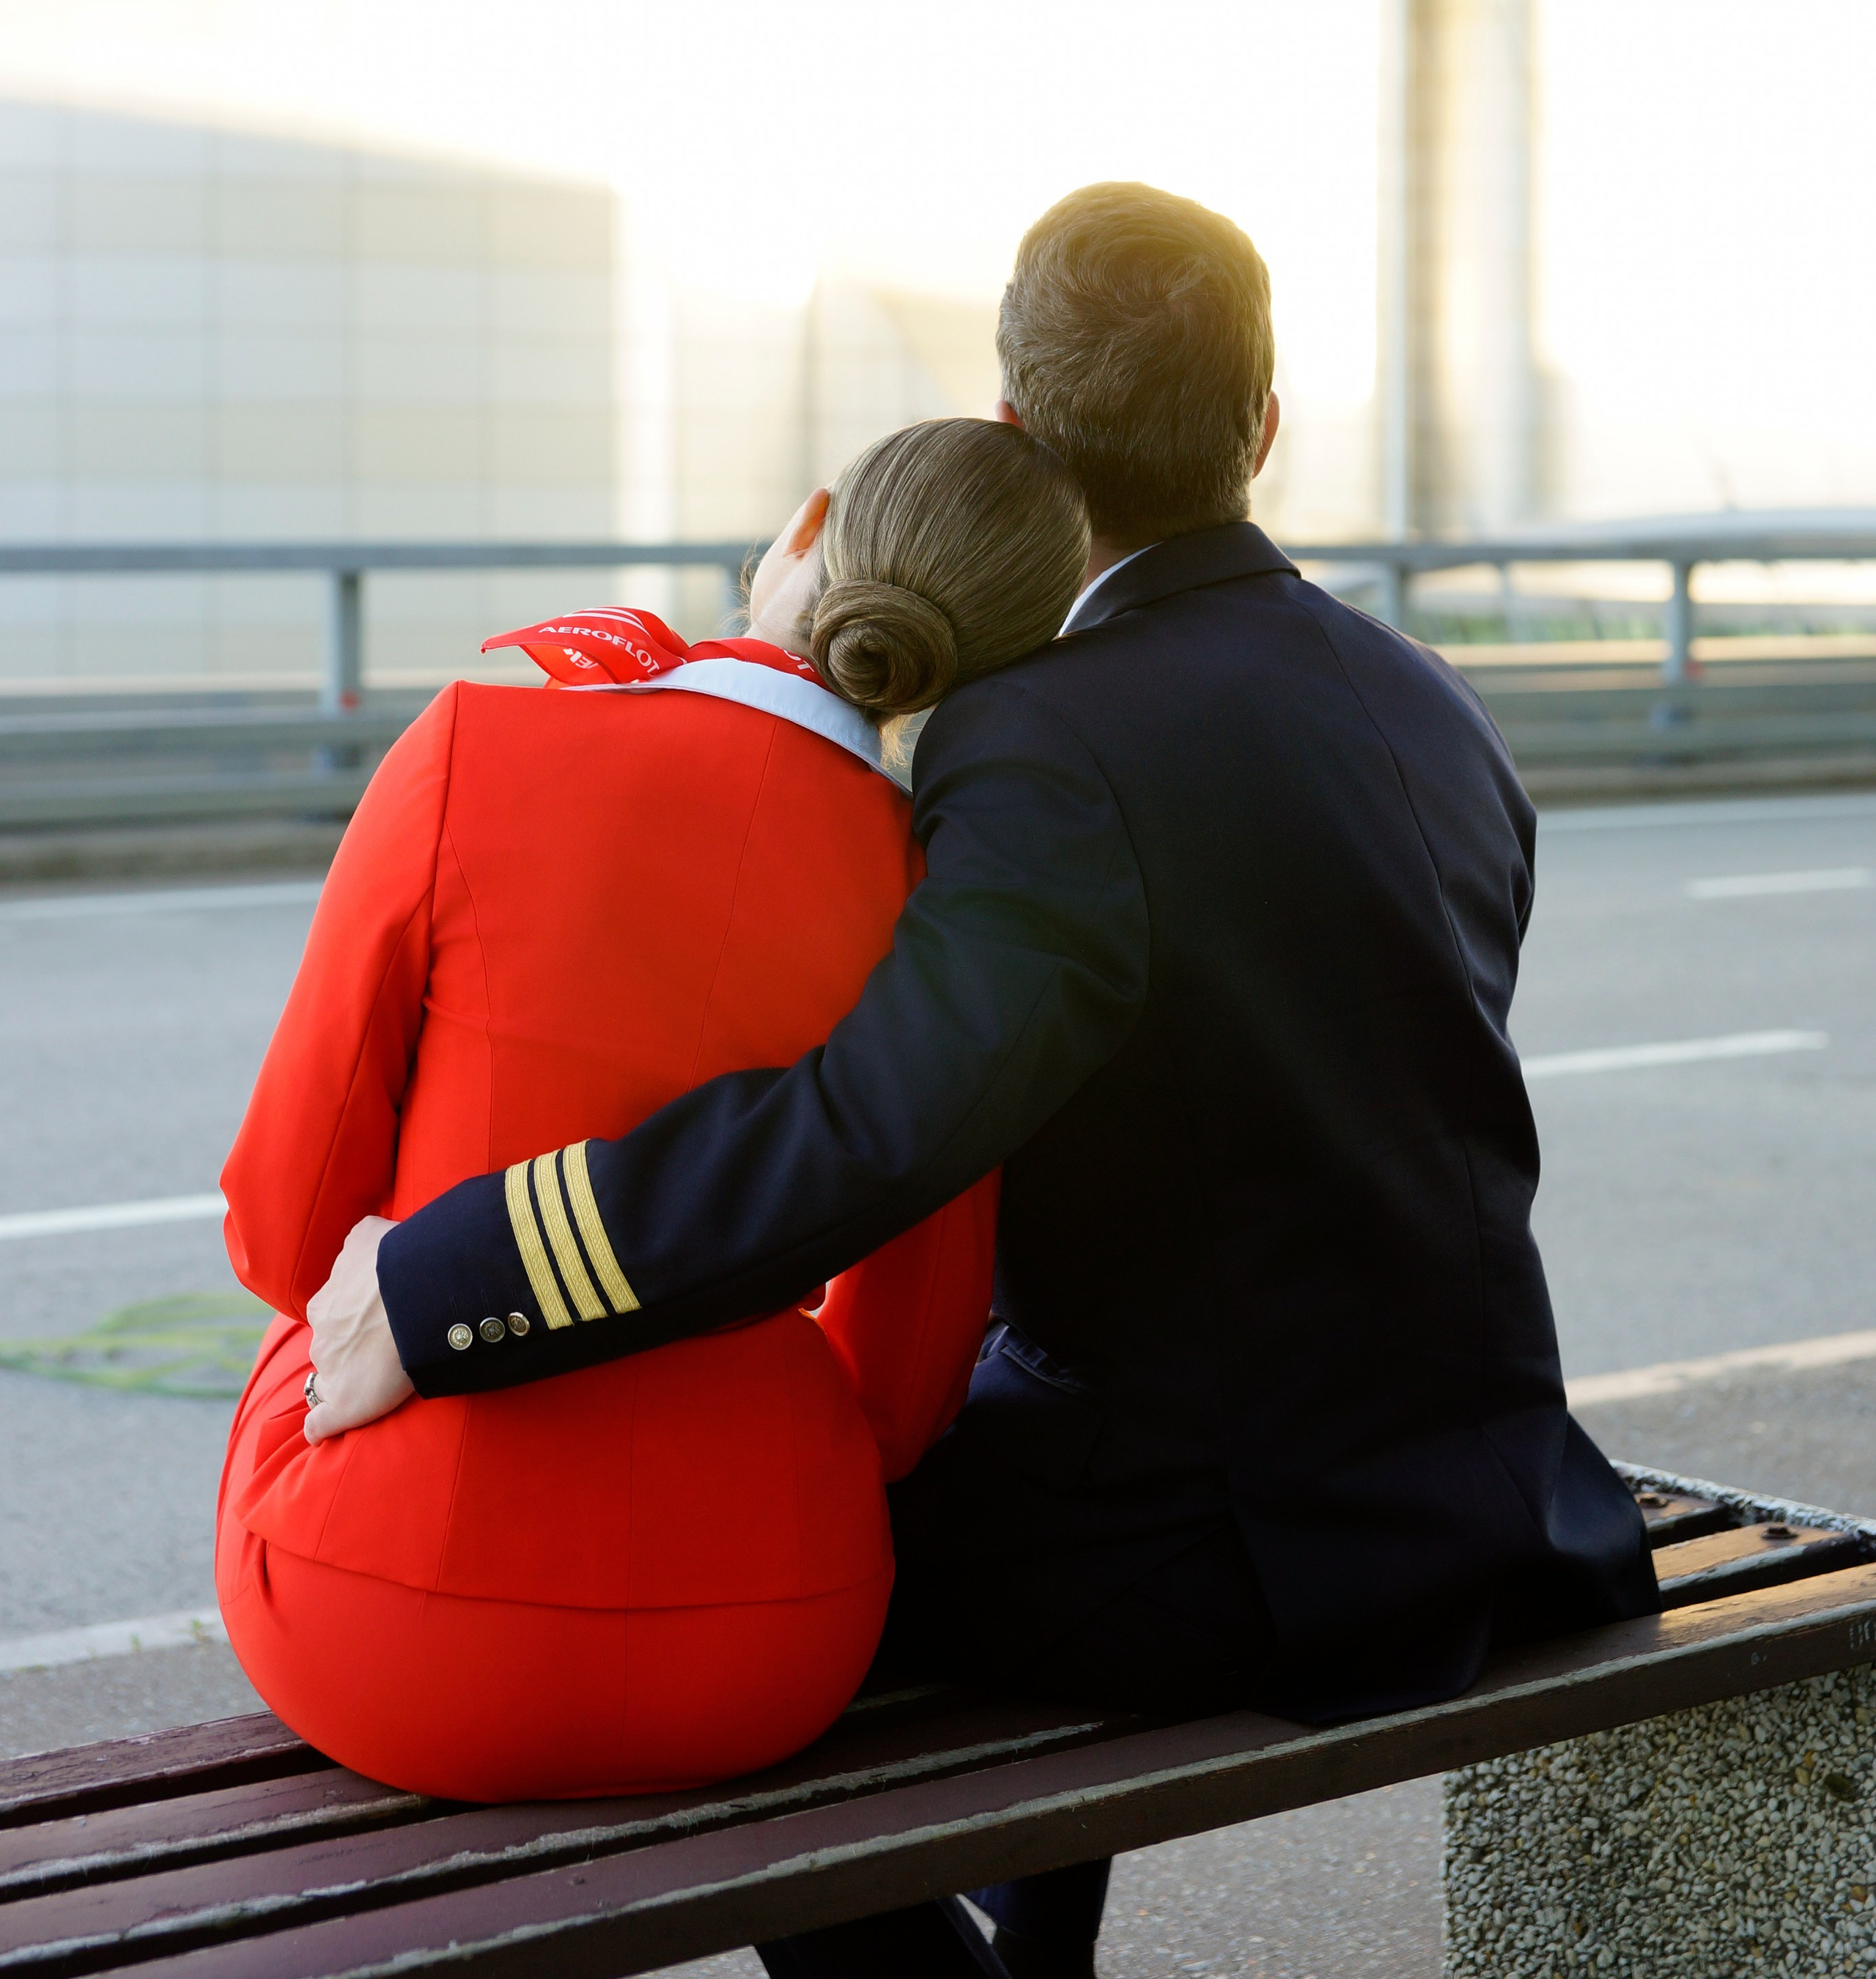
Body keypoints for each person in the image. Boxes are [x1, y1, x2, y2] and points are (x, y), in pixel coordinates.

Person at [303, 181, 1655, 1972]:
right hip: (1495, 1499)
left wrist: (452, 1275)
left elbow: (880, 1122)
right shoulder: (1428, 705)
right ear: (1262, 428)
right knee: (986, 1444)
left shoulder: (1045, 733)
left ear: (1016, 428)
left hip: (1224, 1551)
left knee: (727, 1621)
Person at [215, 416, 1089, 1800]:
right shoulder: (941, 902)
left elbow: (281, 1227)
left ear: (800, 531)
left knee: (312, 1310)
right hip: (769, 1639)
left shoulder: (477, 741)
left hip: (386, 1625)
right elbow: (907, 1383)